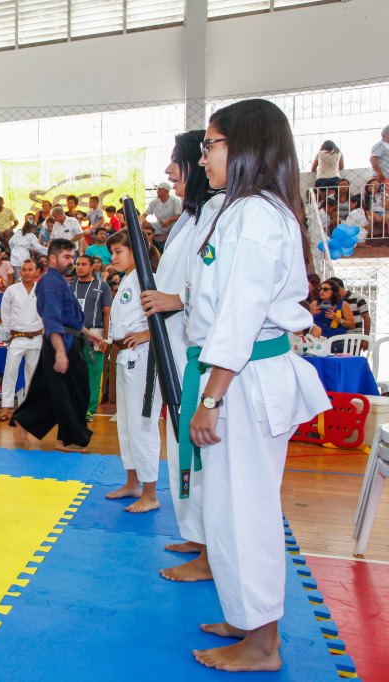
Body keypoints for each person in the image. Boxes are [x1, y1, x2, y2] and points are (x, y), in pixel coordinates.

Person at [183, 99, 329, 672]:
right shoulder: (238, 210)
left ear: (244, 148)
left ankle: (264, 642)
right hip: (230, 375)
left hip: (241, 379)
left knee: (247, 510)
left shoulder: (259, 216)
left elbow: (240, 317)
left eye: (211, 144)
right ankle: (247, 616)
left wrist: (211, 397)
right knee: (224, 507)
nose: (204, 156)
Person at [140, 129, 220, 582]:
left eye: (178, 161)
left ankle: (211, 548)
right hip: (175, 347)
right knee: (181, 447)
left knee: (199, 452)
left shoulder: (217, 214)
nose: (170, 170)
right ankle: (196, 534)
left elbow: (211, 284)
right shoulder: (190, 218)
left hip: (197, 351)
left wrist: (178, 299)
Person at [10, 239, 105, 452]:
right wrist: (60, 352)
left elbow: (68, 316)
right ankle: (67, 439)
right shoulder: (50, 283)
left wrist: (87, 333)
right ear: (53, 258)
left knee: (48, 389)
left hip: (69, 339)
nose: (71, 261)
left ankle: (25, 420)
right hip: (62, 343)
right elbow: (52, 320)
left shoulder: (59, 281)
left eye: (72, 256)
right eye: (67, 257)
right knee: (72, 392)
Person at [101, 230, 161, 513]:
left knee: (142, 424)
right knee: (125, 423)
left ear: (135, 250)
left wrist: (147, 334)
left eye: (118, 252)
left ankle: (150, 493)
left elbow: (168, 316)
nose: (113, 257)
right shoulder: (128, 278)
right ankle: (133, 482)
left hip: (144, 358)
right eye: (112, 252)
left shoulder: (149, 276)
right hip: (126, 356)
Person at [0, 260, 43, 423]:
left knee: (33, 374)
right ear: (20, 272)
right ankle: (5, 408)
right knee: (10, 372)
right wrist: (11, 331)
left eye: (30, 269)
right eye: (24, 270)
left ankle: (29, 409)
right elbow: (5, 313)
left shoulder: (42, 289)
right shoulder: (11, 290)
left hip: (37, 336)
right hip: (17, 337)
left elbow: (47, 310)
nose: (27, 272)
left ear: (36, 271)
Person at [71, 255, 112, 420]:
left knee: (93, 373)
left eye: (83, 264)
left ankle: (89, 409)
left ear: (91, 267)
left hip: (97, 333)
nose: (79, 267)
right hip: (72, 333)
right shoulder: (69, 285)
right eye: (77, 264)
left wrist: (107, 339)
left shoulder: (103, 286)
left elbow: (107, 313)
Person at [142, 182, 182, 250]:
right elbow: (145, 214)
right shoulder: (154, 202)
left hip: (172, 226)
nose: (157, 191)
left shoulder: (175, 201)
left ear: (166, 191)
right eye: (158, 190)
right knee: (146, 227)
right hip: (160, 226)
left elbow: (179, 215)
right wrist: (143, 220)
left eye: (160, 190)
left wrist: (169, 221)